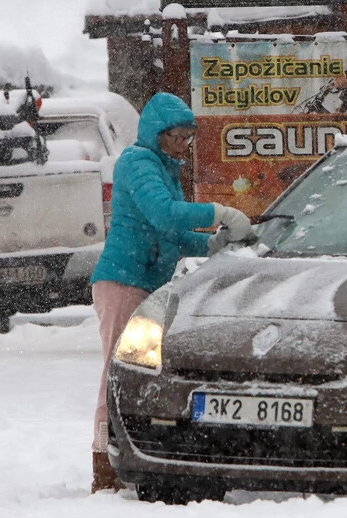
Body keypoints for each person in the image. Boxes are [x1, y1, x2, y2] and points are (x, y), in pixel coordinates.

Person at [88, 92, 252, 493]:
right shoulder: (137, 162)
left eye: (188, 138)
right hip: (123, 280)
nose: (184, 145)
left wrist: (213, 244)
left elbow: (173, 236)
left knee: (140, 371)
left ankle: (136, 453)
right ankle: (103, 464)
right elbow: (162, 213)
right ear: (156, 133)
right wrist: (220, 212)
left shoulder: (165, 168)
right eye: (177, 137)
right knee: (117, 373)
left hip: (147, 282)